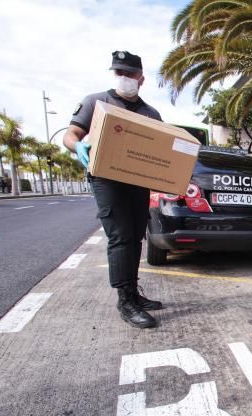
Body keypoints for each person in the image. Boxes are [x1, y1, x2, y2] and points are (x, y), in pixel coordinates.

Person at [63, 51, 164, 328]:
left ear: (140, 78)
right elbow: (70, 135)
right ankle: (125, 301)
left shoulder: (151, 114)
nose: (124, 78)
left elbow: (162, 151)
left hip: (137, 181)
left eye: (130, 74)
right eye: (119, 73)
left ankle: (133, 293)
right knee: (120, 236)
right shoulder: (96, 102)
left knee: (134, 237)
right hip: (106, 179)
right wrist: (78, 146)